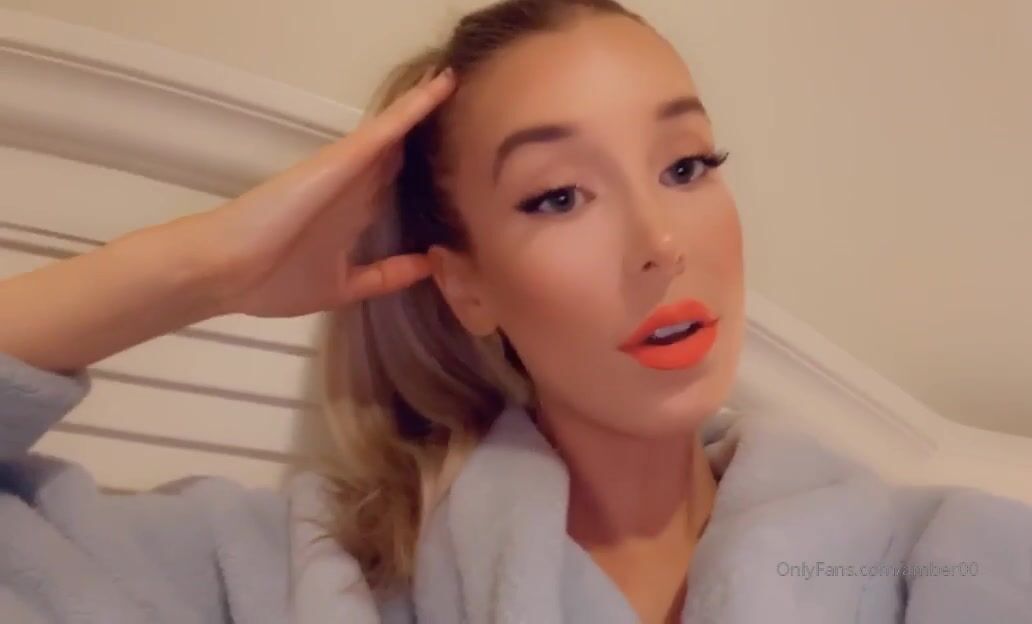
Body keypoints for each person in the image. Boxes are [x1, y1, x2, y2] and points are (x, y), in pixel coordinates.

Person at [2, 1, 1030, 623]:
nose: (660, 241)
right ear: (467, 286)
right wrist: (195, 271)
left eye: (685, 166)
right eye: (558, 196)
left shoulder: (934, 559)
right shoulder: (310, 576)